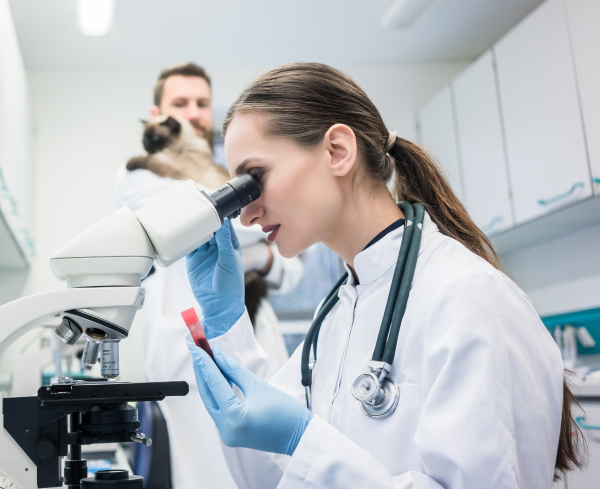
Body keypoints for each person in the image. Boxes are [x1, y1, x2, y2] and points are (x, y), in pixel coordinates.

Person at [186, 63, 582, 488]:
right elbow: (276, 474)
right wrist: (227, 324)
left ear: (338, 150)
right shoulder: (335, 316)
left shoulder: (470, 298)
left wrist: (307, 441)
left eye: (254, 178)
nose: (245, 213)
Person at [114, 62, 304, 489]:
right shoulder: (140, 173)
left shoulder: (225, 174)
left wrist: (260, 259)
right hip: (187, 348)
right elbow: (206, 218)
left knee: (269, 468)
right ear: (157, 112)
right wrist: (256, 245)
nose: (194, 113)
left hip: (254, 335)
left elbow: (290, 266)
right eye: (180, 103)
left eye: (202, 103)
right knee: (208, 473)